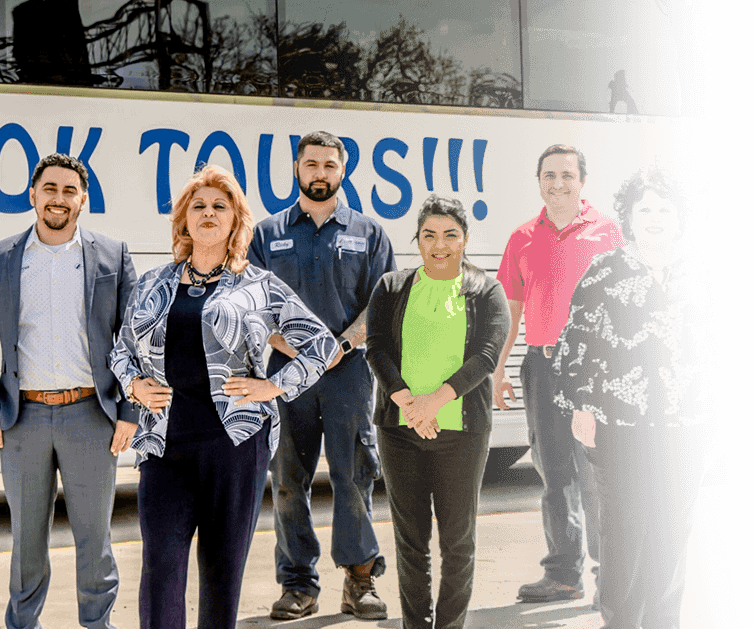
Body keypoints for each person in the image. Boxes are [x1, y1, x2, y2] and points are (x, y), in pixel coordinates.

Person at [109, 164, 337, 629]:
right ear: (183, 220)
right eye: (199, 206)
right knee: (161, 568)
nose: (209, 213)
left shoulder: (259, 285)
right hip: (164, 447)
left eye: (220, 206)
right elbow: (120, 352)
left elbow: (323, 344)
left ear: (236, 219)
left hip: (234, 446)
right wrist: (133, 386)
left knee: (222, 572)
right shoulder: (153, 283)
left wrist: (273, 386)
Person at [0, 153, 137, 629]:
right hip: (24, 418)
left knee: (94, 538)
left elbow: (136, 337)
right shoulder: (0, 258)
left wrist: (129, 411)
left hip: (91, 414)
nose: (58, 199)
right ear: (32, 195)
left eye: (68, 190)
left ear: (83, 199)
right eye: (49, 189)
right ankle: (22, 624)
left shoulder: (112, 254)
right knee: (26, 539)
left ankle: (97, 623)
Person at [554, 164, 713, 628]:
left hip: (687, 430)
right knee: (624, 530)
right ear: (629, 216)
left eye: (666, 208)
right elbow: (576, 345)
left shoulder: (702, 275)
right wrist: (581, 405)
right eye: (645, 208)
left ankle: (666, 620)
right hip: (618, 426)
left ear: (680, 217)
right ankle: (621, 620)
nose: (656, 217)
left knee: (671, 530)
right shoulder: (605, 271)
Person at [248, 130, 396, 621]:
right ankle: (298, 585)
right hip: (284, 378)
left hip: (347, 375)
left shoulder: (369, 233)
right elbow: (253, 308)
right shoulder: (266, 234)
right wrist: (296, 349)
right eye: (311, 164)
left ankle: (361, 582)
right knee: (288, 481)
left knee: (354, 477)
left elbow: (381, 303)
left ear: (343, 170)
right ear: (296, 168)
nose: (320, 173)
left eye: (329, 165)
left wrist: (342, 344)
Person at [366, 194, 510, 629]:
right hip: (399, 430)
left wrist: (435, 402)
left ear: (465, 239)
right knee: (410, 542)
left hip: (462, 435)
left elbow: (487, 355)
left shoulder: (487, 289)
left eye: (450, 234)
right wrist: (408, 402)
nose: (439, 244)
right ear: (418, 240)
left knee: (457, 541)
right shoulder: (391, 287)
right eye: (429, 235)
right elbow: (377, 349)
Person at [494, 144, 626, 607]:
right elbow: (509, 308)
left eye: (566, 175)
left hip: (595, 371)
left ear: (581, 181)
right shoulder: (522, 237)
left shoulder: (609, 232)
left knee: (597, 476)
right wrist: (499, 366)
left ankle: (610, 576)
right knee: (553, 473)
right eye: (549, 175)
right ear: (539, 181)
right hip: (542, 364)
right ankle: (563, 575)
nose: (558, 183)